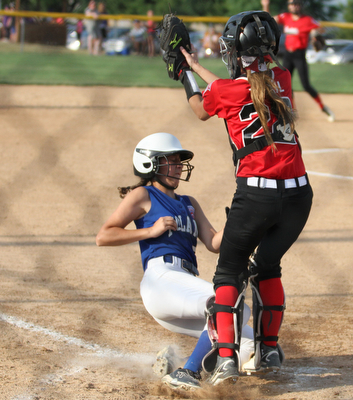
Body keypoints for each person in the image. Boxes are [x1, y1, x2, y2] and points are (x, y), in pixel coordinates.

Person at [177, 11, 313, 385]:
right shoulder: (282, 78)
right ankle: (268, 349)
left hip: (257, 196)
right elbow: (241, 85)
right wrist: (195, 65)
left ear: (237, 51)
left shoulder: (227, 91)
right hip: (299, 197)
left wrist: (180, 73)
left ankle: (225, 361)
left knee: (228, 272)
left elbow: (201, 108)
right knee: (267, 265)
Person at [96, 132, 254, 391]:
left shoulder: (189, 203)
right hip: (161, 280)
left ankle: (173, 360)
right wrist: (149, 231)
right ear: (151, 164)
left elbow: (214, 243)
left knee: (250, 343)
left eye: (180, 162)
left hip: (184, 286)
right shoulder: (143, 195)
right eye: (171, 161)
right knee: (230, 306)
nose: (179, 166)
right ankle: (187, 372)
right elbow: (104, 236)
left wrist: (238, 217)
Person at [262, 0, 335, 122]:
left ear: (300, 5)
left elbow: (321, 29)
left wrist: (315, 33)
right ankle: (291, 112)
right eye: (291, 3)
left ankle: (323, 108)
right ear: (288, 5)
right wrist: (266, 5)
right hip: (287, 56)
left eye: (296, 3)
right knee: (285, 84)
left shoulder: (307, 20)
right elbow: (268, 20)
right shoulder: (285, 17)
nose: (294, 5)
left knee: (306, 85)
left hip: (299, 56)